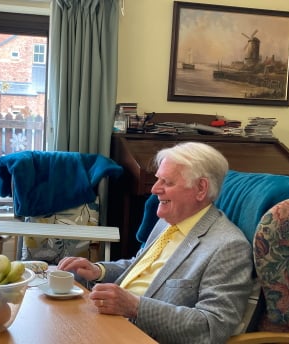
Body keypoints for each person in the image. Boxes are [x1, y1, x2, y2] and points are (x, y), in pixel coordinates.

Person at [58, 142, 254, 344]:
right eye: (157, 179)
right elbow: (140, 267)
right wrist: (98, 271)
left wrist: (135, 306)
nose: (154, 189)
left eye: (167, 182)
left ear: (201, 188)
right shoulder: (167, 221)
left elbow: (213, 327)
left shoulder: (228, 247)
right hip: (110, 324)